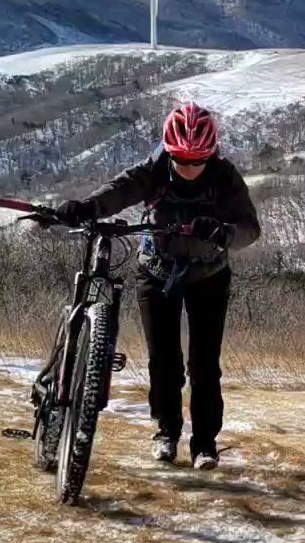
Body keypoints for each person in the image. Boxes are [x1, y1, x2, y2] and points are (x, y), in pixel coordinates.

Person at [54, 102, 262, 470]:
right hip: (155, 272)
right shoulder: (155, 169)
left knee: (204, 364)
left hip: (209, 275)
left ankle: (204, 444)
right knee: (164, 360)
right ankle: (167, 433)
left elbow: (250, 228)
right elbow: (120, 190)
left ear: (211, 155)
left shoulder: (225, 177)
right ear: (168, 150)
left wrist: (223, 232)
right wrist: (87, 208)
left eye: (198, 161)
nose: (189, 167)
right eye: (182, 160)